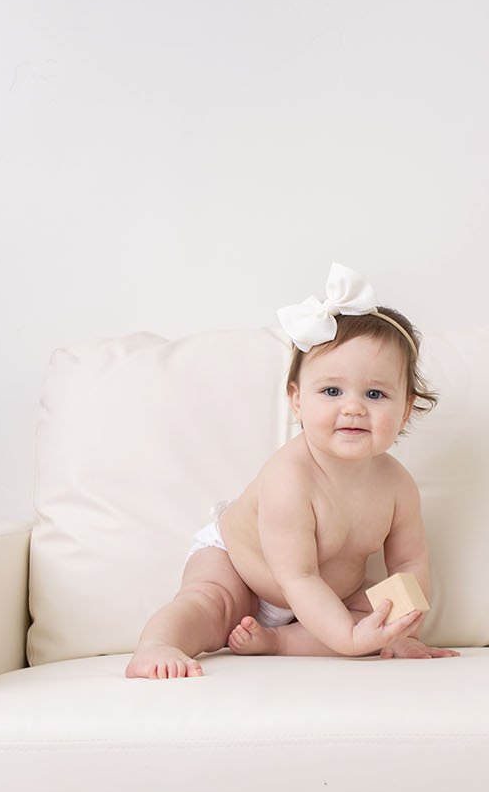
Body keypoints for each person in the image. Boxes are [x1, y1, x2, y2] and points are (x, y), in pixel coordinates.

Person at [126, 263, 460, 679]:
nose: (353, 407)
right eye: (332, 391)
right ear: (297, 400)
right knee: (208, 603)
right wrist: (349, 638)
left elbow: (409, 563)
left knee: (368, 621)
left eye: (375, 393)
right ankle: (157, 645)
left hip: (325, 599)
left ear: (406, 407)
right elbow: (297, 576)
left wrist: (402, 629)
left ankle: (280, 642)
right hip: (241, 569)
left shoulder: (397, 487)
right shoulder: (290, 477)